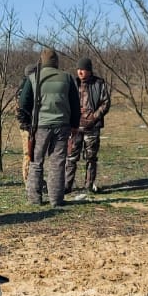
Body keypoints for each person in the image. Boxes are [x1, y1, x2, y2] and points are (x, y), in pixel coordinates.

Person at [18, 49, 81, 207]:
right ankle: (56, 199)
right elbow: (75, 104)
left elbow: (23, 103)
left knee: (36, 162)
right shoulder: (67, 78)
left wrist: (28, 122)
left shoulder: (33, 78)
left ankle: (34, 199)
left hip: (40, 127)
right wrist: (74, 125)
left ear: (41, 61)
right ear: (56, 62)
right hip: (62, 126)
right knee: (57, 163)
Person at [64, 57, 112, 194]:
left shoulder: (99, 83)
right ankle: (67, 186)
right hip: (74, 127)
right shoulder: (72, 83)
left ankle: (89, 186)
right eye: (78, 69)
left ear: (89, 70)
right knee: (71, 157)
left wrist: (94, 117)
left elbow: (106, 103)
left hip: (92, 127)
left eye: (83, 69)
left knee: (91, 158)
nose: (80, 72)